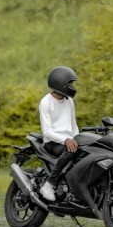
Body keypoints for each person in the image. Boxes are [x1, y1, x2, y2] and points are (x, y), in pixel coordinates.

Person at [38, 66, 80, 202]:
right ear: (60, 82)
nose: (72, 86)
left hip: (68, 140)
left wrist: (77, 138)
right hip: (52, 142)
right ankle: (49, 184)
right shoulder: (45, 102)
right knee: (70, 150)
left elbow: (73, 124)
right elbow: (47, 132)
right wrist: (66, 140)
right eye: (70, 83)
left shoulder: (69, 101)